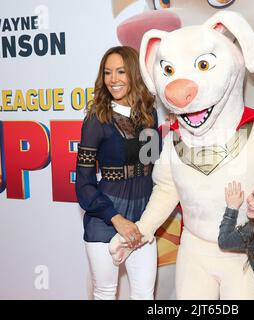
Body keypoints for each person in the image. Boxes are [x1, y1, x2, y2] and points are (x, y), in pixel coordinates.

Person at [75, 46, 159, 300]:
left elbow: (154, 168)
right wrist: (116, 218)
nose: (113, 79)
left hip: (143, 219)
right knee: (105, 292)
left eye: (121, 71)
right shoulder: (96, 119)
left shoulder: (149, 115)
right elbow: (84, 185)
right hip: (106, 220)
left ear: (133, 74)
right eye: (108, 73)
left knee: (144, 294)